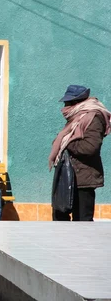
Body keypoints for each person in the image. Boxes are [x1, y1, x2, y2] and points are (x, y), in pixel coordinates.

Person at [49, 85, 111, 221]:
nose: (65, 107)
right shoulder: (76, 118)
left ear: (77, 103)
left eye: (67, 103)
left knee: (82, 223)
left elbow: (89, 148)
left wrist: (67, 142)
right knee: (60, 218)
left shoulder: (93, 117)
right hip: (67, 177)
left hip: (83, 179)